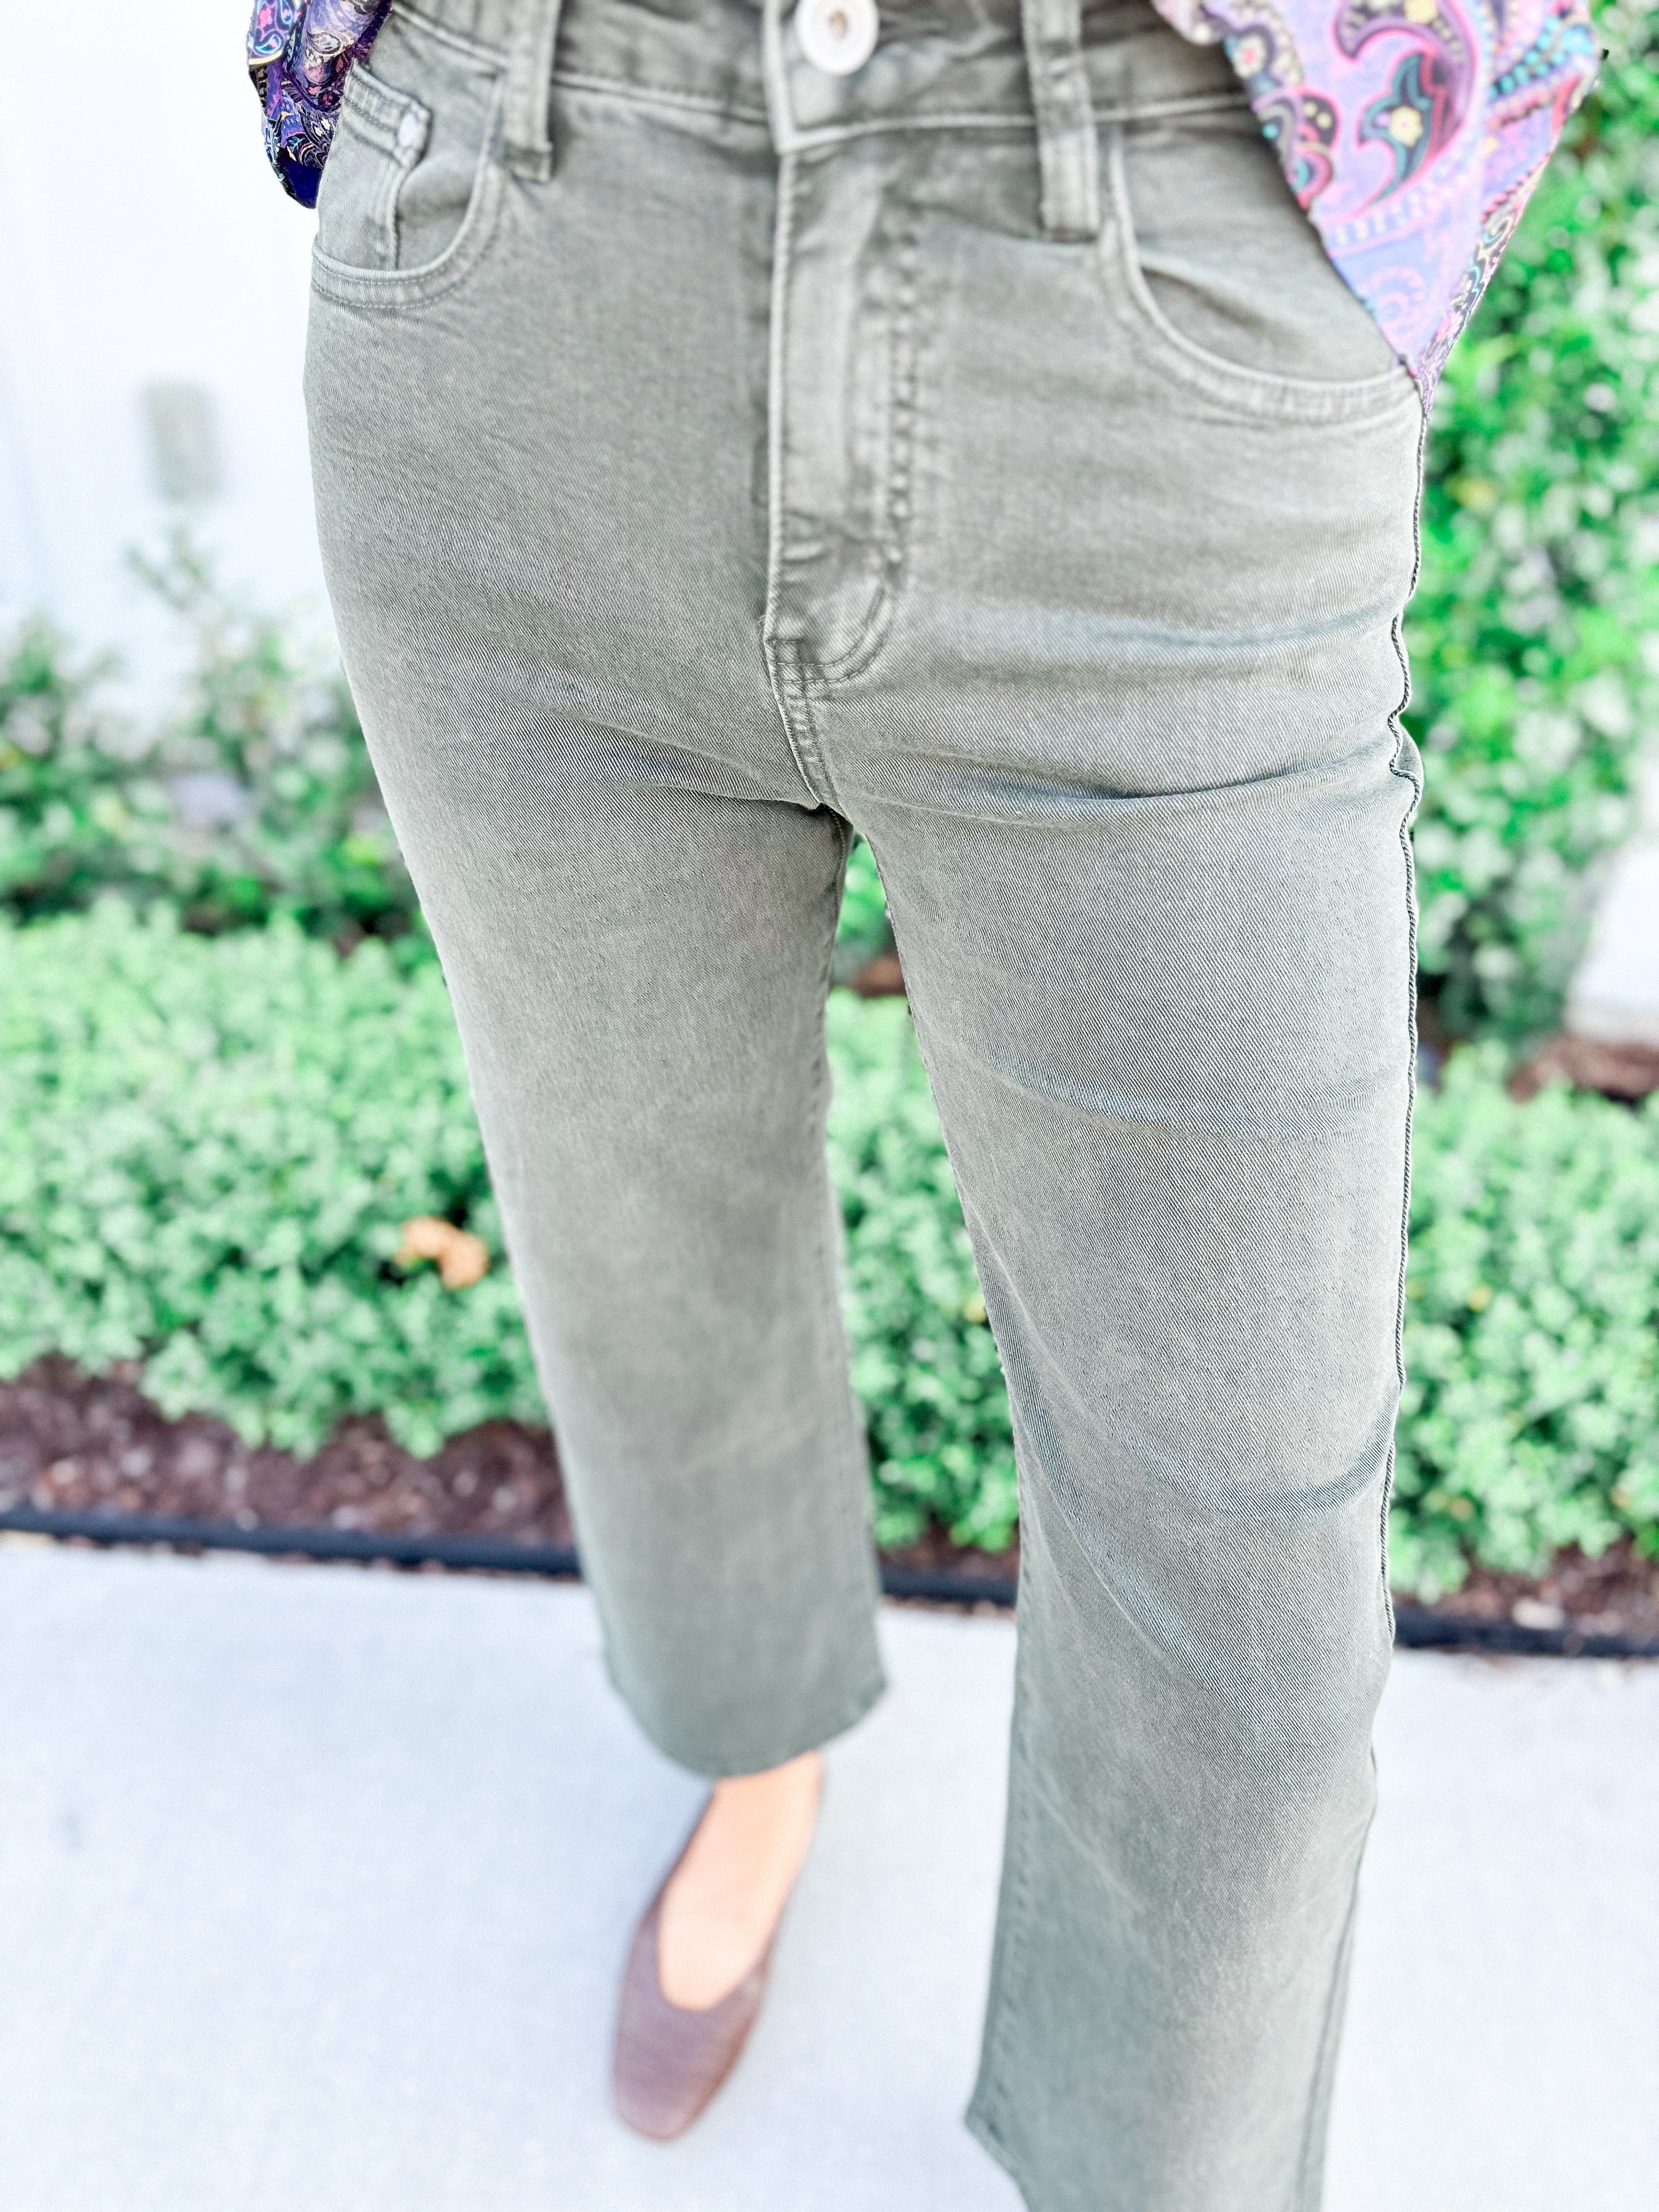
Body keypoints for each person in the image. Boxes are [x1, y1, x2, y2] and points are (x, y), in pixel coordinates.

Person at [248, 0, 1595, 2202]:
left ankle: (1162, 2170)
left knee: (1244, 1556)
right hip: (529, 230)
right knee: (636, 1209)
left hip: (1148, 276)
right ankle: (754, 1743)